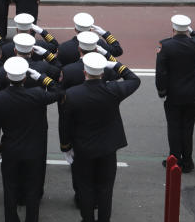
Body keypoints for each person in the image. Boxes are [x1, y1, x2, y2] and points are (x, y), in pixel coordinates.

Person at [60, 52, 140, 222]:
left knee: (85, 187)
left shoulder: (72, 94)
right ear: (103, 73)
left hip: (83, 148)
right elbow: (134, 80)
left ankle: (87, 218)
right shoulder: (112, 90)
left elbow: (66, 123)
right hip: (107, 148)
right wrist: (116, 64)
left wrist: (66, 146)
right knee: (105, 188)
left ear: (84, 72)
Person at [0, 56, 61, 222]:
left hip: (10, 149)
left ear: (7, 77)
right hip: (34, 149)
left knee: (10, 188)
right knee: (33, 189)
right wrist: (42, 78)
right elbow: (58, 91)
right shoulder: (37, 94)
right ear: (25, 77)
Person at [155, 15, 195, 173]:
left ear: (173, 28)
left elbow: (161, 72)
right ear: (186, 29)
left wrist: (161, 91)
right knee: (188, 128)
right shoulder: (194, 44)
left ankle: (175, 160)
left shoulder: (165, 45)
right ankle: (187, 161)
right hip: (192, 93)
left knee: (174, 127)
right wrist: (194, 33)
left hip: (174, 94)